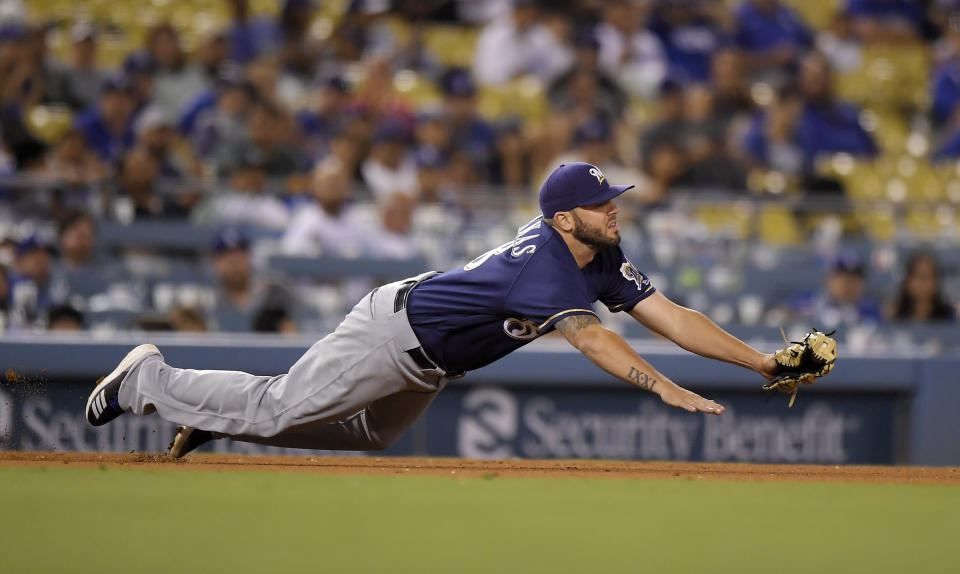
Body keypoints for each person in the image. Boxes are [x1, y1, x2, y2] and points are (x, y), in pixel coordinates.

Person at [84, 162, 779, 457]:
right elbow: (593, 340)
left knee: (369, 437)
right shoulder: (545, 263)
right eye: (601, 204)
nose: (613, 207)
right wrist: (661, 384)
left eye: (611, 198)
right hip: (393, 333)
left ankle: (215, 417)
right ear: (566, 218)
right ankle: (146, 381)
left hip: (429, 359)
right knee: (275, 407)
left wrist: (763, 361)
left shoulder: (594, 255)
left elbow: (671, 314)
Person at [887, 252, 956, 323]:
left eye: (928, 277)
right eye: (918, 276)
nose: (923, 283)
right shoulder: (893, 315)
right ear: (907, 281)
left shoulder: (950, 316)